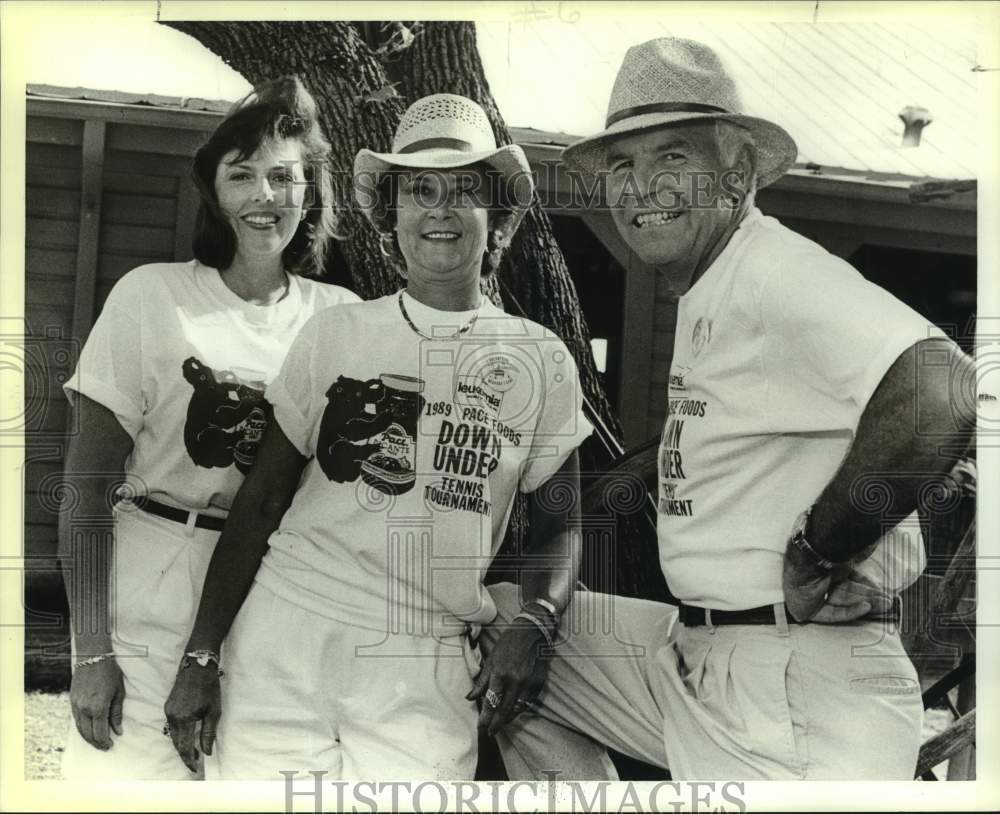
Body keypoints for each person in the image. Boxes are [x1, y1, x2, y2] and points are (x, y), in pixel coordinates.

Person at [491, 37, 976, 780]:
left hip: (791, 689)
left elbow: (940, 388)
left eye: (673, 159)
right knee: (499, 622)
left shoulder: (773, 273)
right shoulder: (716, 279)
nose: (640, 186)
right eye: (623, 165)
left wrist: (822, 547)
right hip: (703, 656)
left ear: (739, 172)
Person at [162, 93, 598, 780]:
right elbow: (261, 503)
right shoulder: (337, 333)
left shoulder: (539, 359)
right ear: (390, 215)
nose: (440, 210)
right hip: (288, 628)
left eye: (465, 191)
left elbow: (560, 524)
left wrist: (536, 620)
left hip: (425, 659)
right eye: (419, 190)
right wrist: (203, 653)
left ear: (500, 220)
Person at [58, 76, 360, 780]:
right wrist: (91, 651)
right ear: (214, 190)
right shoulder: (151, 297)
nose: (265, 196)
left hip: (278, 593)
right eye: (243, 174)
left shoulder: (340, 318)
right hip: (154, 573)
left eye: (285, 177)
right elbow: (85, 490)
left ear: (310, 190)